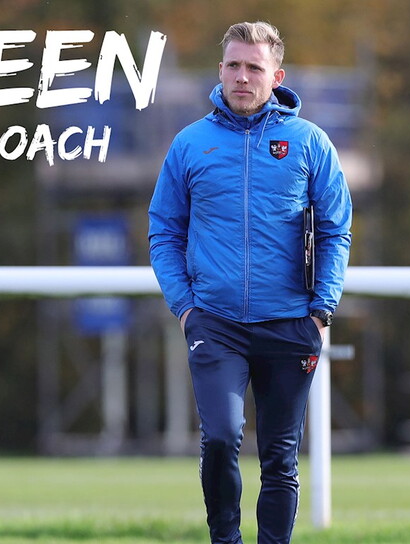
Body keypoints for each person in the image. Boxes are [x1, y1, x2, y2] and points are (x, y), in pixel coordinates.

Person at [147, 21, 352, 544]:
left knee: (280, 456)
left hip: (291, 322)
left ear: (276, 76)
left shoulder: (309, 142)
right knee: (220, 438)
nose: (242, 77)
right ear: (220, 71)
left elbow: (336, 229)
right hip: (214, 323)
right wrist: (186, 307)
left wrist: (321, 311)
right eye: (234, 66)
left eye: (254, 67)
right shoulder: (190, 144)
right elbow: (164, 231)